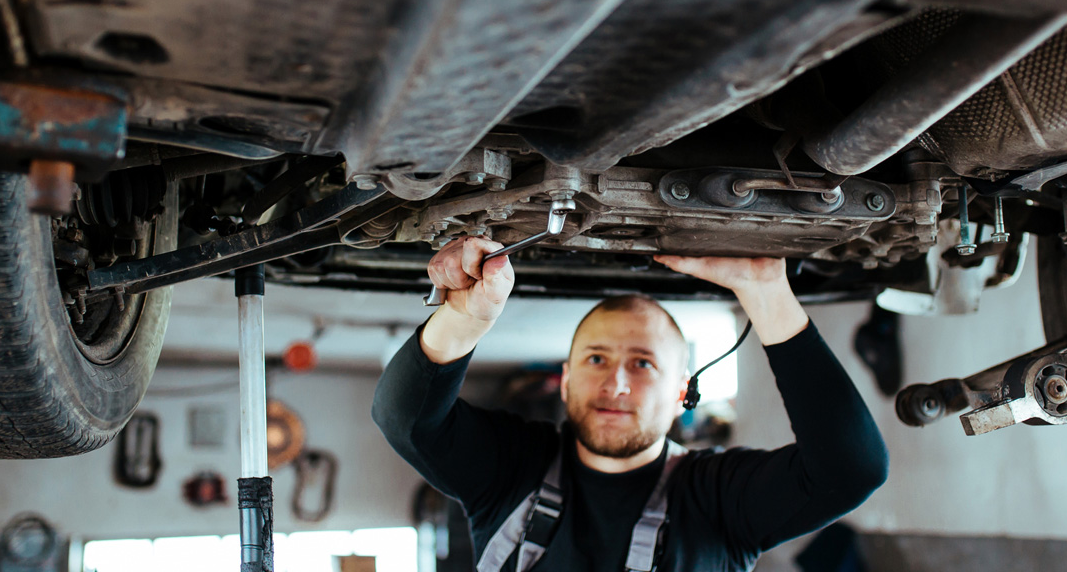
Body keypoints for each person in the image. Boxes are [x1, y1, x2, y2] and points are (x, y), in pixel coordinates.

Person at [373, 236, 888, 572]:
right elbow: (406, 421)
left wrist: (769, 293)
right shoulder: (511, 469)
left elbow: (852, 468)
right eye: (597, 359)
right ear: (568, 381)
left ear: (683, 393)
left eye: (643, 363)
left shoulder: (718, 500)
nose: (616, 384)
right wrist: (465, 318)